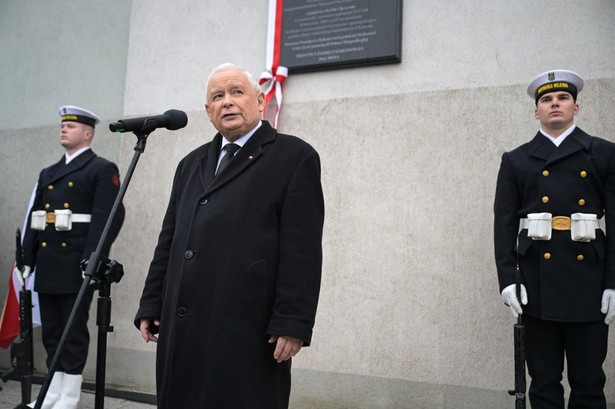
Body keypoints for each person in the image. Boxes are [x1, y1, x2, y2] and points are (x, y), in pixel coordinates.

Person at [134, 63, 324, 409]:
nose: (227, 102)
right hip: (185, 322)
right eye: (217, 97)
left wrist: (293, 321)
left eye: (237, 92)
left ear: (260, 100)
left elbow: (302, 251)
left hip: (248, 325)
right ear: (208, 112)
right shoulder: (191, 164)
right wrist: (151, 300)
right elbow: (170, 239)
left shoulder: (294, 157)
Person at [494, 70, 615, 409]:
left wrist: (613, 282)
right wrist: (507, 281)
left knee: (589, 383)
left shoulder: (604, 154)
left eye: (562, 98)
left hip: (589, 281)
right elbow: (503, 224)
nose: (554, 104)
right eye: (546, 100)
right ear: (537, 112)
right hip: (536, 282)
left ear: (576, 107)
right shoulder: (516, 160)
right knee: (544, 383)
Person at [17, 105, 125, 409]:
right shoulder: (48, 172)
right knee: (52, 331)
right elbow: (36, 218)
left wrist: (92, 260)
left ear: (88, 133)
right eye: (62, 125)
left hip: (75, 264)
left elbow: (108, 217)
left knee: (72, 332)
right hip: (49, 264)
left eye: (71, 126)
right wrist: (27, 258)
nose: (64, 129)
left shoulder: (101, 169)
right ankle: (51, 392)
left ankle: (70, 396)